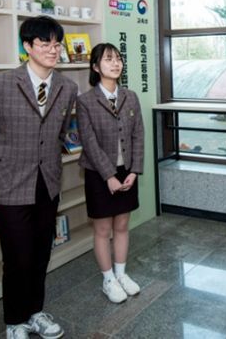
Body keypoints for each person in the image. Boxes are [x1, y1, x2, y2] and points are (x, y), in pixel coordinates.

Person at [0, 16, 77, 339]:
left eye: (57, 44)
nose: (53, 50)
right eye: (44, 43)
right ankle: (15, 321)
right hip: (7, 184)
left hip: (48, 183)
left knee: (41, 252)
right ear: (27, 46)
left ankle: (35, 312)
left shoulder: (68, 87)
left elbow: (59, 134)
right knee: (17, 257)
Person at [76, 43, 144, 304]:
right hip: (98, 173)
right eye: (108, 59)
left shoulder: (130, 96)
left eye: (118, 59)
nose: (115, 63)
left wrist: (135, 170)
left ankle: (121, 274)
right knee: (103, 228)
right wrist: (109, 176)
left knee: (123, 225)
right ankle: (108, 279)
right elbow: (89, 142)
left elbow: (138, 135)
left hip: (126, 171)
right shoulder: (85, 101)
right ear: (95, 67)